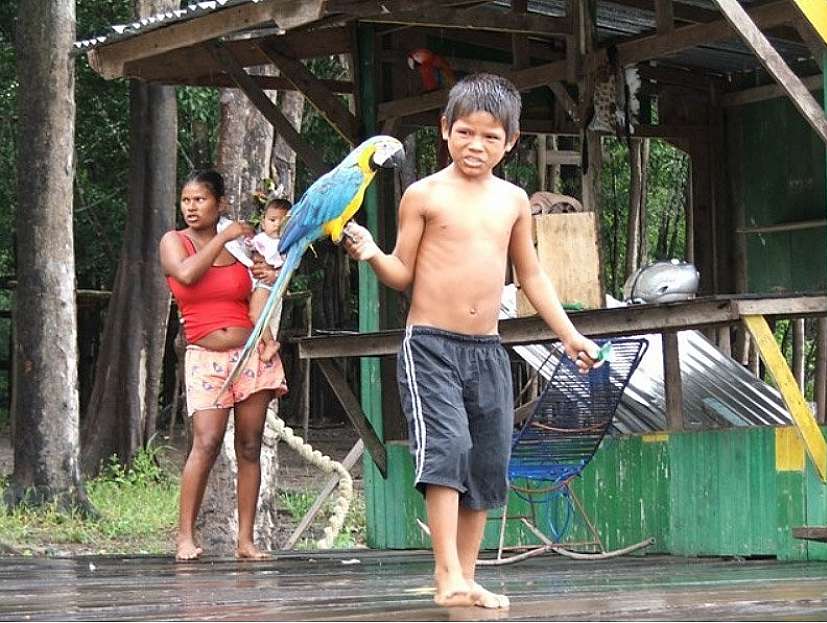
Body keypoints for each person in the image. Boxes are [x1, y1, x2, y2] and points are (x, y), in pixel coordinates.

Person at [343, 73, 600, 609]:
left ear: (510, 140)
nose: (475, 146)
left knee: (486, 459)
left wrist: (570, 335)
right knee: (449, 449)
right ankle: (446, 575)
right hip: (430, 346)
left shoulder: (512, 200)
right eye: (464, 133)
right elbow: (401, 273)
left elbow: (530, 276)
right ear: (444, 130)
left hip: (487, 351)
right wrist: (370, 252)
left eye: (489, 136)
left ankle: (469, 576)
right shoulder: (423, 194)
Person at [159, 170, 288, 561]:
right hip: (206, 357)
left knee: (249, 445)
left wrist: (268, 273)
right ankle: (185, 536)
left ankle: (245, 541)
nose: (191, 207)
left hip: (251, 353)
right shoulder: (174, 242)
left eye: (200, 200)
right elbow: (186, 274)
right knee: (206, 441)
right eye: (186, 200)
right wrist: (223, 237)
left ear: (220, 204)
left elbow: (262, 286)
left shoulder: (242, 247)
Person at [247, 198, 291, 363]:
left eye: (283, 221)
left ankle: (270, 342)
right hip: (255, 283)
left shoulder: (285, 245)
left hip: (266, 285)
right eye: (272, 220)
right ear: (263, 222)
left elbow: (288, 268)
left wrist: (275, 275)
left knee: (255, 314)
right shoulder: (259, 239)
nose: (277, 225)